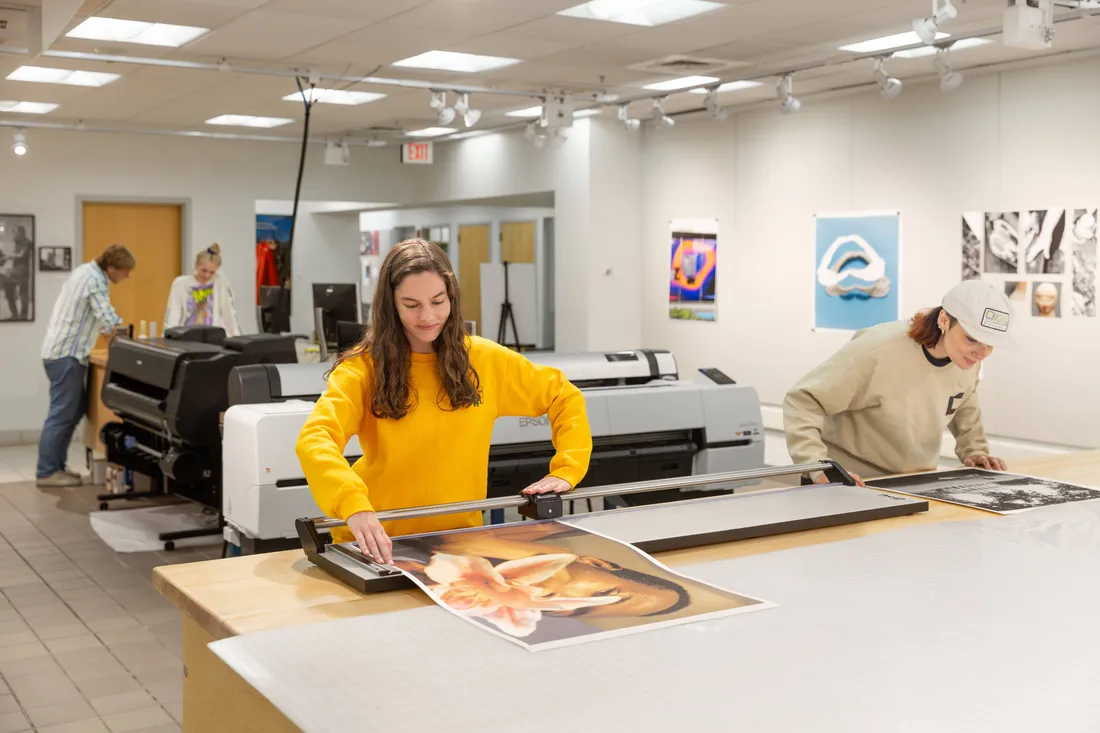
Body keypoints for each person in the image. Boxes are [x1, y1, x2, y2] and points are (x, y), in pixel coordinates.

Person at [296, 239, 592, 564]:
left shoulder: (483, 360)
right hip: (378, 547)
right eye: (411, 305)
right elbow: (315, 439)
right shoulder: (361, 370)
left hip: (459, 549)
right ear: (390, 305)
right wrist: (352, 505)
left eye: (438, 301)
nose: (428, 316)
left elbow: (563, 394)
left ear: (451, 296)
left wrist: (568, 469)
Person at [783, 280, 1016, 486]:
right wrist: (818, 465)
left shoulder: (966, 359)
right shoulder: (878, 349)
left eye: (990, 343)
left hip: (913, 483)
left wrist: (974, 450)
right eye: (972, 338)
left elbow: (963, 402)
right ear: (944, 320)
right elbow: (803, 400)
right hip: (849, 482)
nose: (982, 353)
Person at [37, 244, 136, 488]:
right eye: (124, 271)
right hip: (65, 356)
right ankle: (47, 471)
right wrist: (129, 340)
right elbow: (108, 319)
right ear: (110, 268)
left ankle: (57, 467)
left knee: (73, 409)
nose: (127, 276)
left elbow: (101, 322)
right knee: (62, 413)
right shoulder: (94, 280)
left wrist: (111, 331)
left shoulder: (84, 272)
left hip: (62, 354)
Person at [164, 244, 241, 335]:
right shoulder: (180, 284)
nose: (207, 276)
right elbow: (173, 313)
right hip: (187, 336)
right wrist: (168, 337)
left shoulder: (220, 281)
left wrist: (235, 337)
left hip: (214, 336)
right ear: (196, 264)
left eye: (212, 272)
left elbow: (229, 313)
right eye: (204, 270)